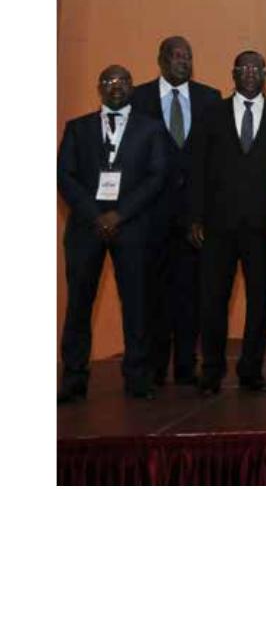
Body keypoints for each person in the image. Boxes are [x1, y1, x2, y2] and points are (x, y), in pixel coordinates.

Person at [57, 65, 169, 402]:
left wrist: (119, 214)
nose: (115, 86)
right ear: (99, 88)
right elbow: (64, 176)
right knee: (79, 305)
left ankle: (137, 377)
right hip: (86, 228)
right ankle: (74, 378)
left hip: (132, 226)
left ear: (132, 87)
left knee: (136, 304)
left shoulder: (151, 128)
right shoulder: (77, 128)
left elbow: (157, 176)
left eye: (122, 81)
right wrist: (97, 216)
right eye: (108, 81)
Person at [189, 51, 266, 394]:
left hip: (264, 228)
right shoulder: (211, 113)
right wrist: (195, 216)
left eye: (256, 68)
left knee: (260, 302)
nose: (250, 73)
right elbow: (196, 168)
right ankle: (212, 370)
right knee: (213, 301)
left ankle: (251, 370)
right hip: (217, 227)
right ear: (233, 74)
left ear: (265, 75)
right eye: (243, 68)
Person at [130, 36, 221, 386]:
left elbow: (213, 160)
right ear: (161, 59)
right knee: (151, 294)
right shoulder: (138, 98)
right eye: (176, 55)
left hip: (193, 216)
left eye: (188, 56)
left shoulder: (209, 98)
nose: (183, 61)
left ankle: (186, 365)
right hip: (148, 214)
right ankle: (153, 367)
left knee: (190, 294)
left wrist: (202, 213)